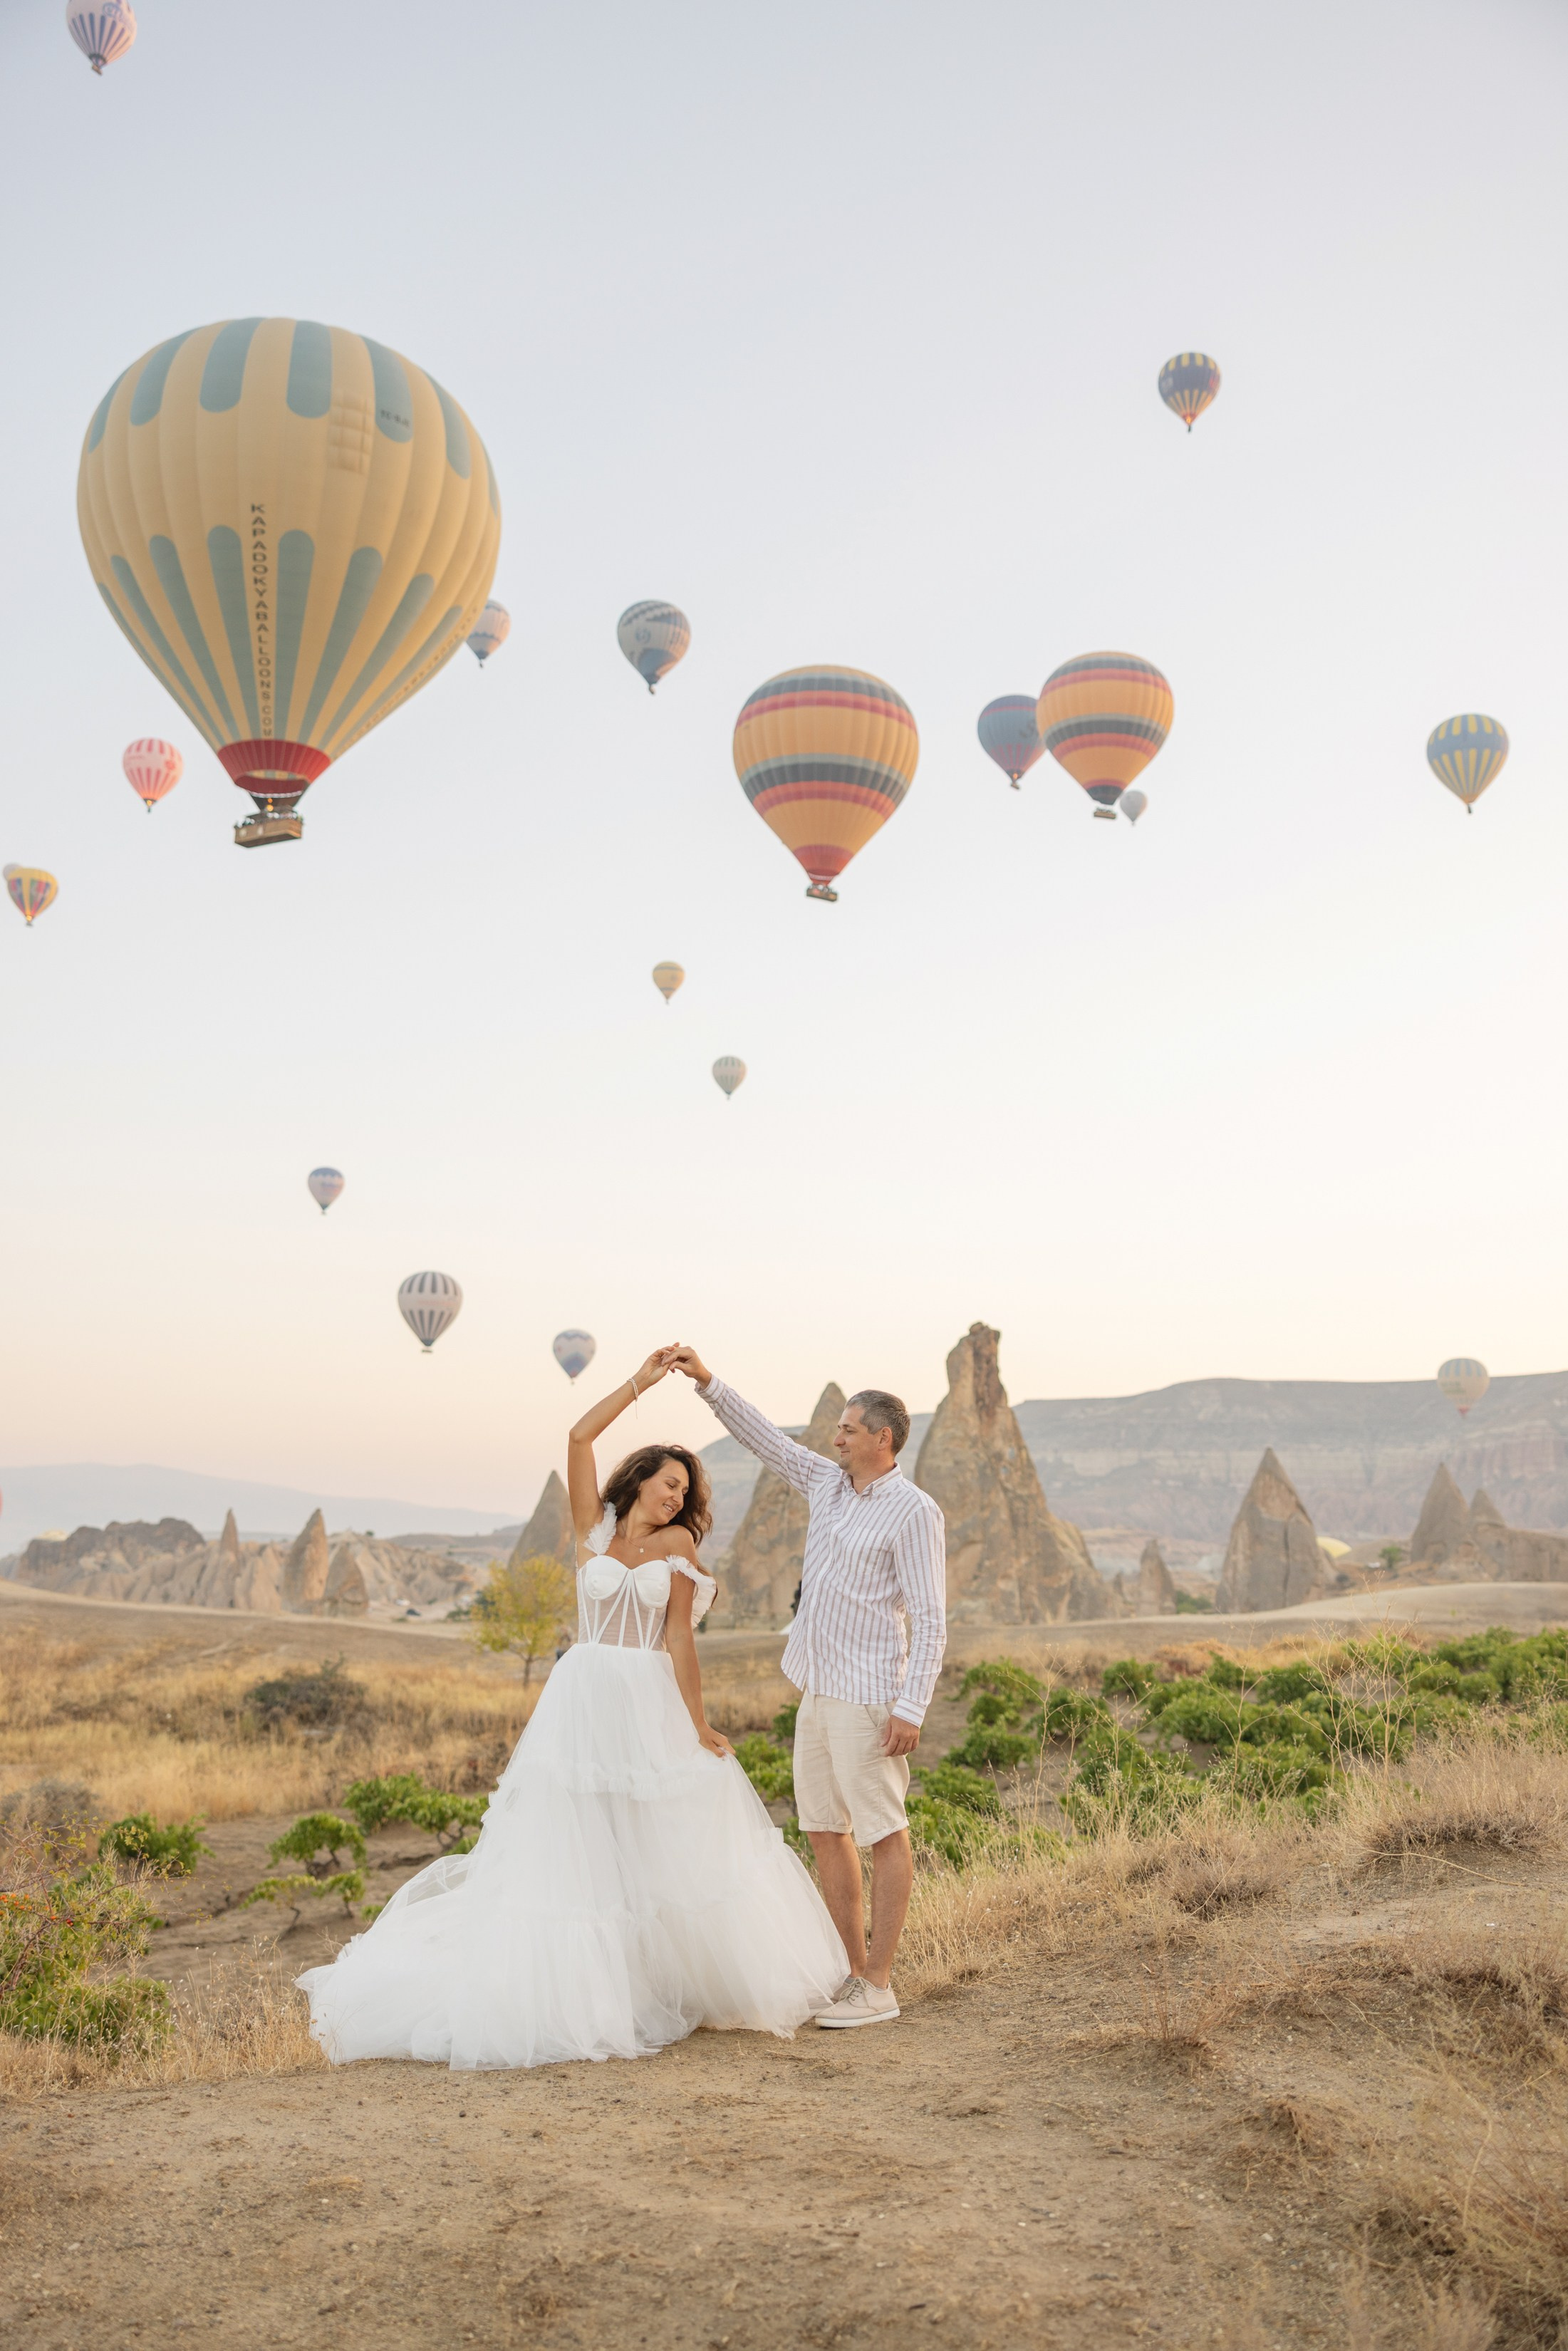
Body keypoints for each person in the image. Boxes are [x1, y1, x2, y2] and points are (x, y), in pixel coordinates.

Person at [296, 1349, 846, 2069]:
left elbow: (679, 1638)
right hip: (582, 1696)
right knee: (577, 1843)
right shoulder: (595, 1529)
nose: (677, 1497)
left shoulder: (680, 1545)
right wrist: (640, 1385)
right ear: (641, 1478)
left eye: (685, 1490)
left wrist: (698, 1721)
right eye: (667, 1482)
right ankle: (589, 1996)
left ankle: (661, 1982)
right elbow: (579, 1439)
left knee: (652, 1841)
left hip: (645, 1698)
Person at [669, 1346, 946, 2029]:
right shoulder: (825, 1483)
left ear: (882, 1439)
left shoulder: (914, 1511)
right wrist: (708, 1382)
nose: (835, 1437)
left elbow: (932, 1617)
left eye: (848, 1429)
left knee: (883, 1830)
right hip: (817, 1688)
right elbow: (764, 1438)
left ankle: (879, 1984)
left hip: (867, 1694)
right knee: (824, 1830)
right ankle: (852, 1973)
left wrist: (911, 1706)